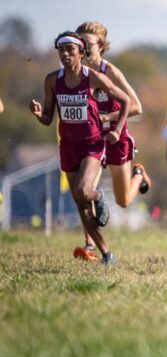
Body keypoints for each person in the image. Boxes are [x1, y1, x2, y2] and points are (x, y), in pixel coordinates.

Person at [29, 32, 130, 264]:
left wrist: (116, 130)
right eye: (61, 50)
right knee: (81, 204)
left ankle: (100, 195)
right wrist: (37, 114)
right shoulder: (52, 80)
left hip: (92, 144)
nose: (64, 55)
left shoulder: (93, 78)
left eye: (70, 50)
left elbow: (126, 101)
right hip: (68, 146)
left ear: (81, 53)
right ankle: (107, 254)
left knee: (85, 191)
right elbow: (47, 118)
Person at [70, 21, 151, 260]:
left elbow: (136, 106)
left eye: (88, 44)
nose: (83, 49)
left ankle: (139, 174)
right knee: (84, 190)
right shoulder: (76, 74)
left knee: (123, 200)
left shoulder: (110, 72)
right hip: (93, 140)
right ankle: (90, 245)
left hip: (116, 137)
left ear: (102, 47)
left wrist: (106, 116)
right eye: (79, 43)